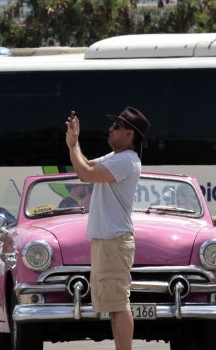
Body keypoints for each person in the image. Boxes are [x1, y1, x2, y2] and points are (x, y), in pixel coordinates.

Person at [65, 106, 149, 350]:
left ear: (129, 134)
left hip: (114, 240)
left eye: (116, 126)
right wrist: (74, 145)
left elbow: (85, 173)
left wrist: (73, 144)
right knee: (114, 305)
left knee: (119, 304)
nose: (110, 130)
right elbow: (85, 165)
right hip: (109, 240)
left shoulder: (126, 160)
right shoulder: (117, 157)